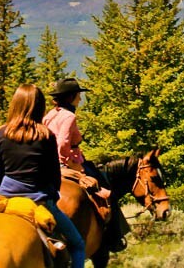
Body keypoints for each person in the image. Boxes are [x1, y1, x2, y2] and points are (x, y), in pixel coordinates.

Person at [0, 84, 85, 268]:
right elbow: (54, 176)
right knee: (78, 245)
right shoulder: (45, 135)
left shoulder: (1, 134)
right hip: (38, 199)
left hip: (6, 198)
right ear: (40, 107)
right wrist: (52, 197)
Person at [44, 77, 128, 253]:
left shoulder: (50, 115)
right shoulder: (69, 116)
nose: (80, 99)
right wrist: (69, 163)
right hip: (68, 163)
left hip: (48, 163)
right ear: (72, 96)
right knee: (106, 190)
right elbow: (62, 143)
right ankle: (113, 237)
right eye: (78, 95)